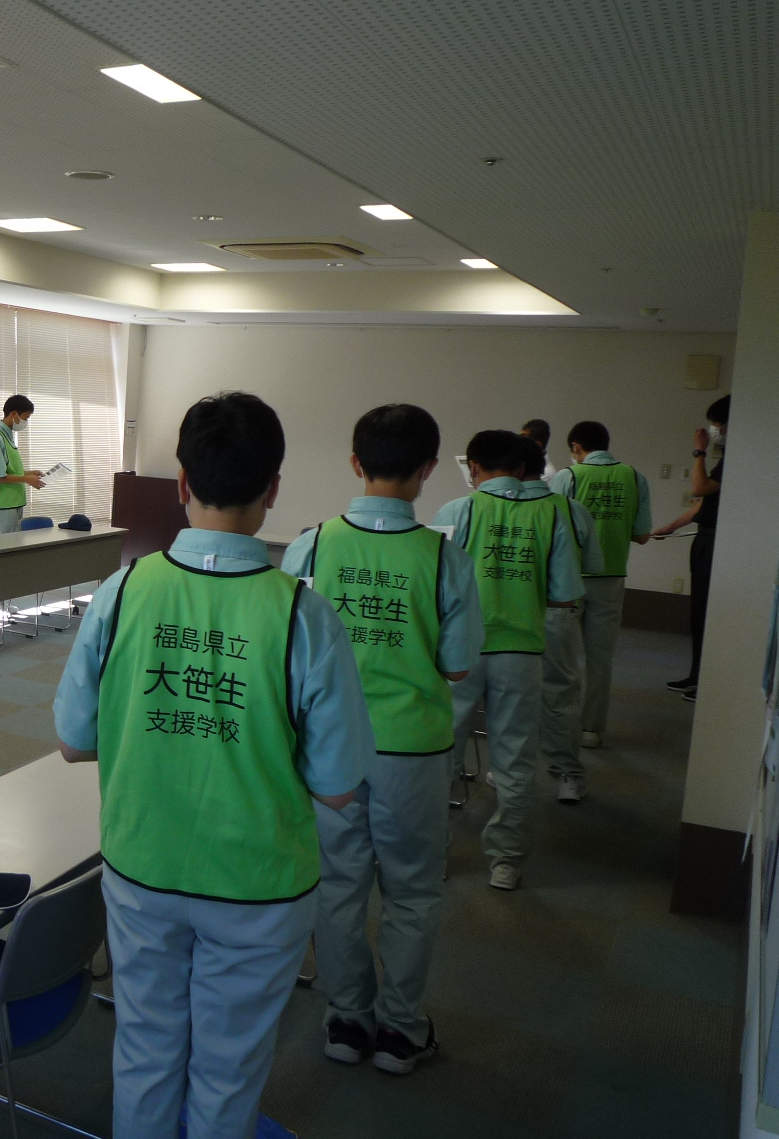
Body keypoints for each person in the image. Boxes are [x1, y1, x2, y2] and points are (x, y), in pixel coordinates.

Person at [54, 391, 370, 1139]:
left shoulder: (122, 591)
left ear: (182, 482)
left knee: (144, 1047)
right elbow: (337, 787)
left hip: (142, 863)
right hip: (258, 883)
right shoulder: (304, 614)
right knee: (230, 1065)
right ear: (274, 489)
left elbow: (72, 739)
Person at [281, 404, 481, 1076]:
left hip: (328, 750)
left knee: (337, 887)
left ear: (354, 463)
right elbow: (460, 666)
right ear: (428, 470)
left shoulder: (311, 546)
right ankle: (400, 1030)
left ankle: (346, 1021)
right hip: (413, 752)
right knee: (413, 891)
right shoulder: (444, 556)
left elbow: (290, 658)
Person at [433, 430, 582, 891]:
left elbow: (433, 589)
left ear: (473, 468)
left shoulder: (458, 511)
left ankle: (433, 854)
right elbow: (565, 595)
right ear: (521, 469)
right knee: (515, 758)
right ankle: (506, 863)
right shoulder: (551, 514)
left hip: (459, 652)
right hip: (521, 652)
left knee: (442, 753)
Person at [549, 421, 652, 745]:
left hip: (569, 581)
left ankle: (557, 724)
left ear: (576, 447)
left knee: (561, 657)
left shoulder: (568, 476)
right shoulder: (635, 477)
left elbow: (552, 529)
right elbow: (642, 535)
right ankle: (591, 729)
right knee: (600, 658)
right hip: (612, 579)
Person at [517, 440, 605, 803]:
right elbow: (594, 564)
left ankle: (513, 769)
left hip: (512, 614)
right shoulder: (572, 509)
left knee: (514, 695)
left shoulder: (494, 510)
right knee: (561, 691)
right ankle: (567, 773)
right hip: (559, 611)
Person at [653, 394, 729, 702]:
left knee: (707, 612)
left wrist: (699, 452)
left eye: (717, 424)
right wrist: (671, 526)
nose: (713, 430)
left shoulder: (735, 457)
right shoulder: (727, 457)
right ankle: (696, 675)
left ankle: (706, 682)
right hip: (704, 538)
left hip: (716, 543)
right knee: (697, 613)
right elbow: (702, 504)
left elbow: (698, 488)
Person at [0, 394, 44, 536]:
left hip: (13, 502)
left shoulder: (8, 436)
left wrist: (30, 473)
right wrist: (27, 479)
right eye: (25, 418)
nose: (25, 422)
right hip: (3, 503)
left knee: (14, 544)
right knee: (2, 544)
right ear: (14, 414)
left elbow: (9, 470)